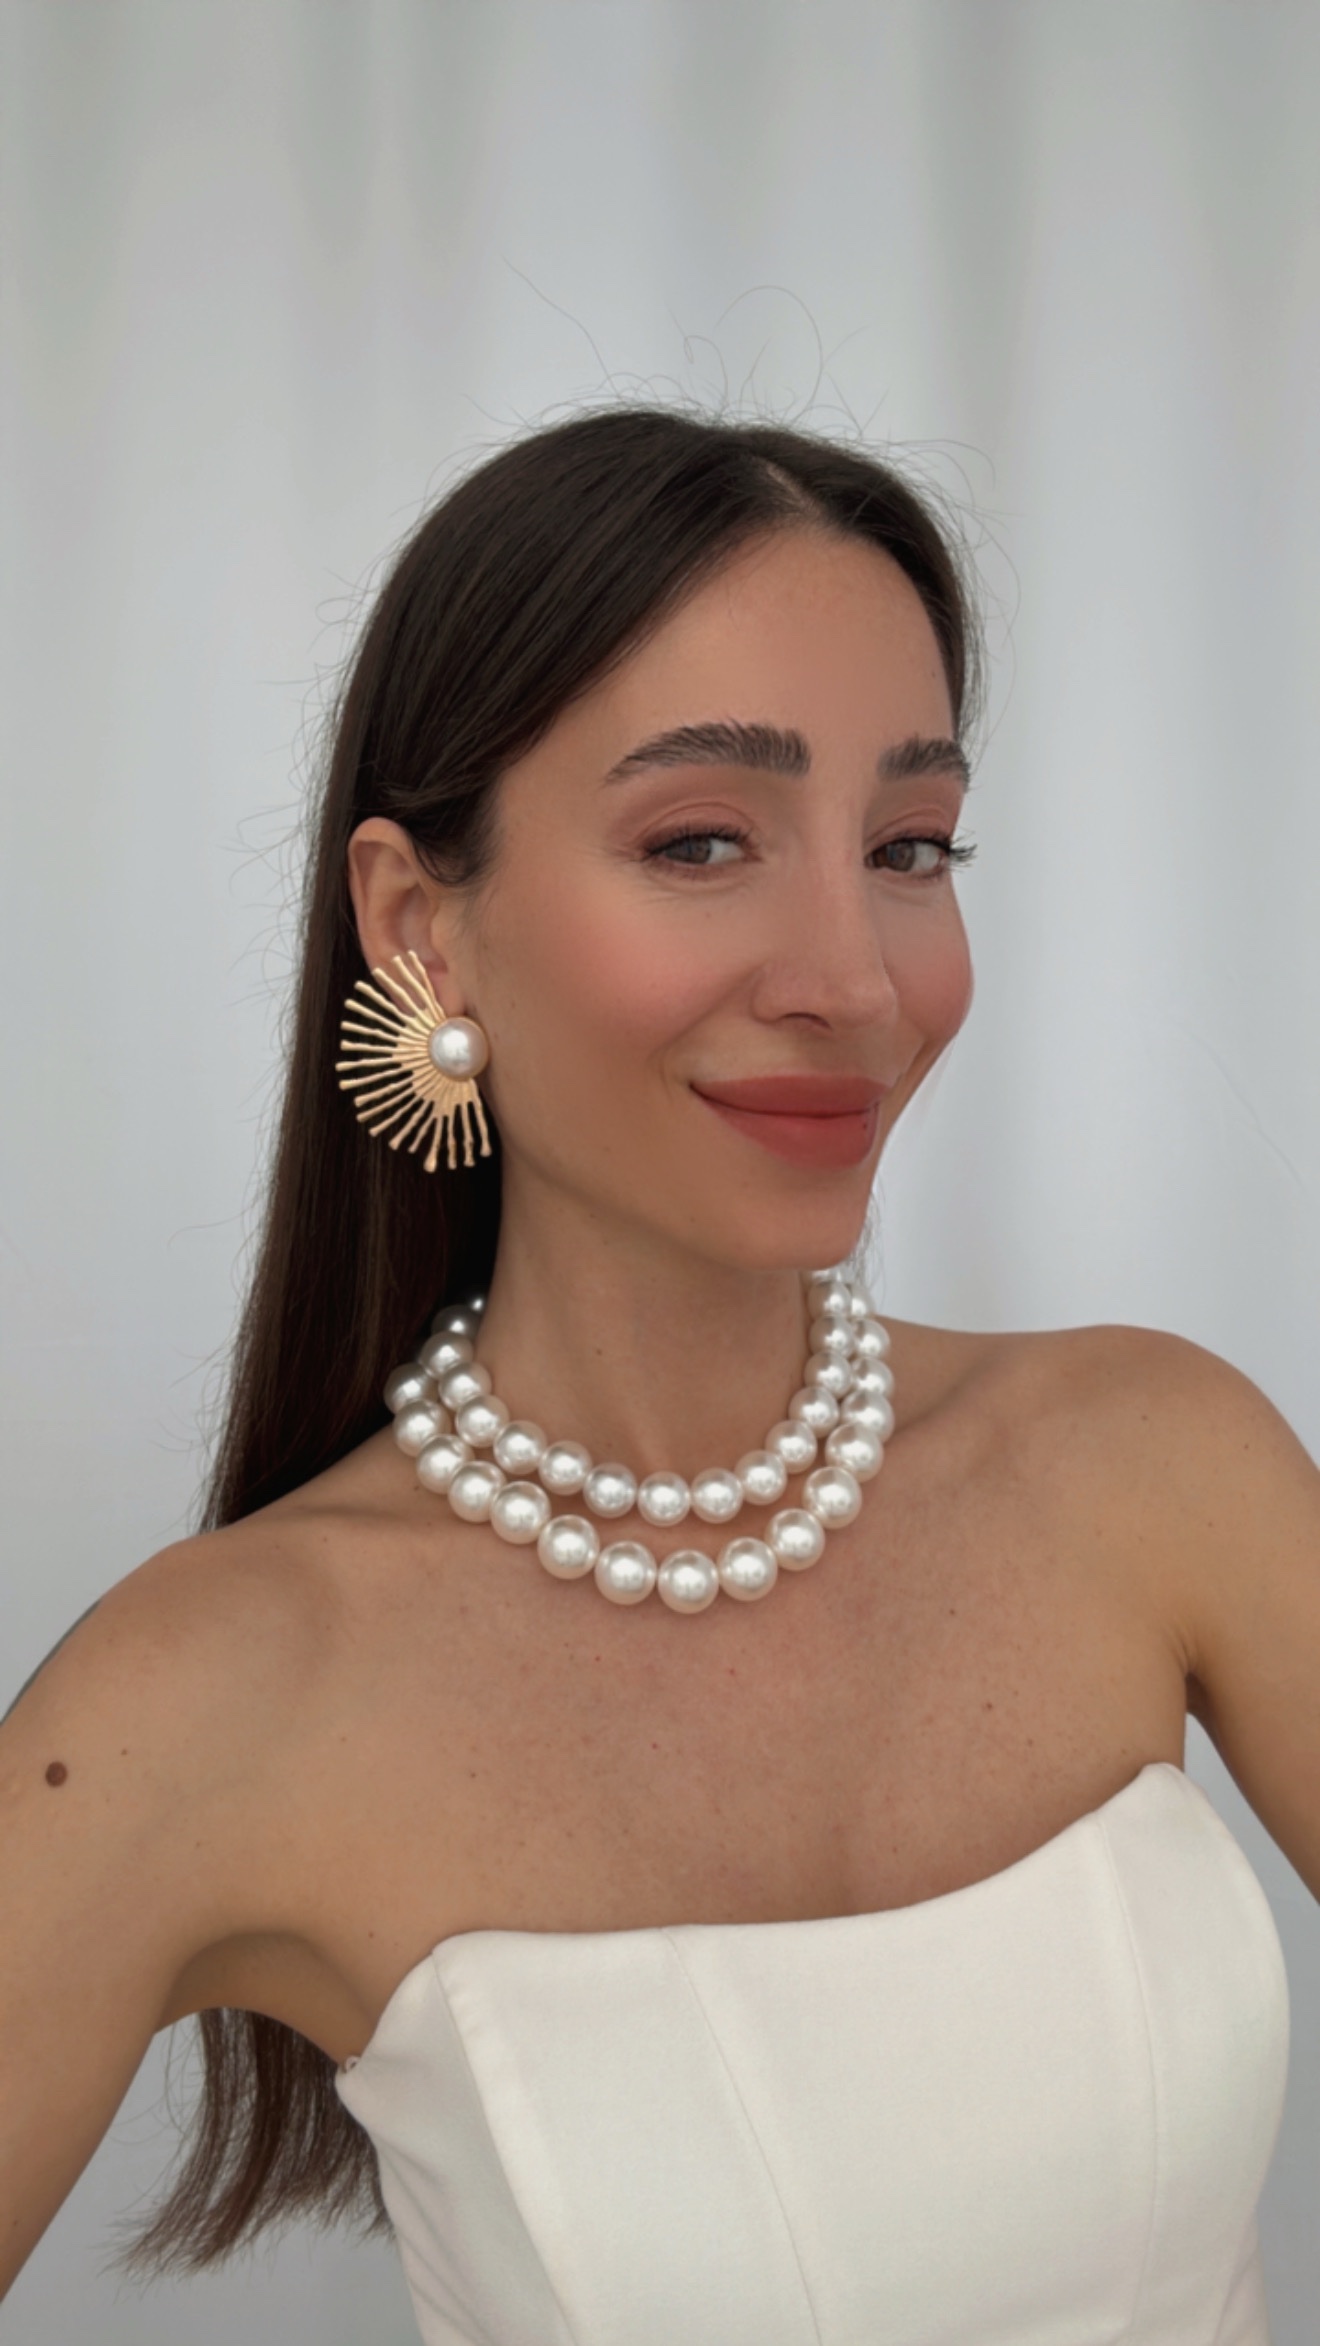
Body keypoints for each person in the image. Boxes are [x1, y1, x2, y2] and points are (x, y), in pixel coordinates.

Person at [2, 407, 1318, 2345]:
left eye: (909, 847)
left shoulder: (1161, 1468)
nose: (852, 977)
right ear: (420, 926)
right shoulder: (210, 1696)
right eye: (702, 841)